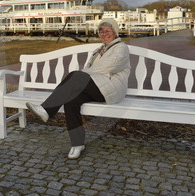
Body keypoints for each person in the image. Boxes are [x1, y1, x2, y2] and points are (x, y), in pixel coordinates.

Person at [26, 19, 131, 159]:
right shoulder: (99, 50)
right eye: (101, 31)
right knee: (71, 100)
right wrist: (84, 75)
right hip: (98, 86)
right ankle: (77, 144)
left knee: (77, 75)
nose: (104, 34)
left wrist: (83, 75)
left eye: (107, 31)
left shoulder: (121, 48)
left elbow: (109, 66)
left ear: (115, 32)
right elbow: (91, 70)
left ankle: (47, 110)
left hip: (112, 88)